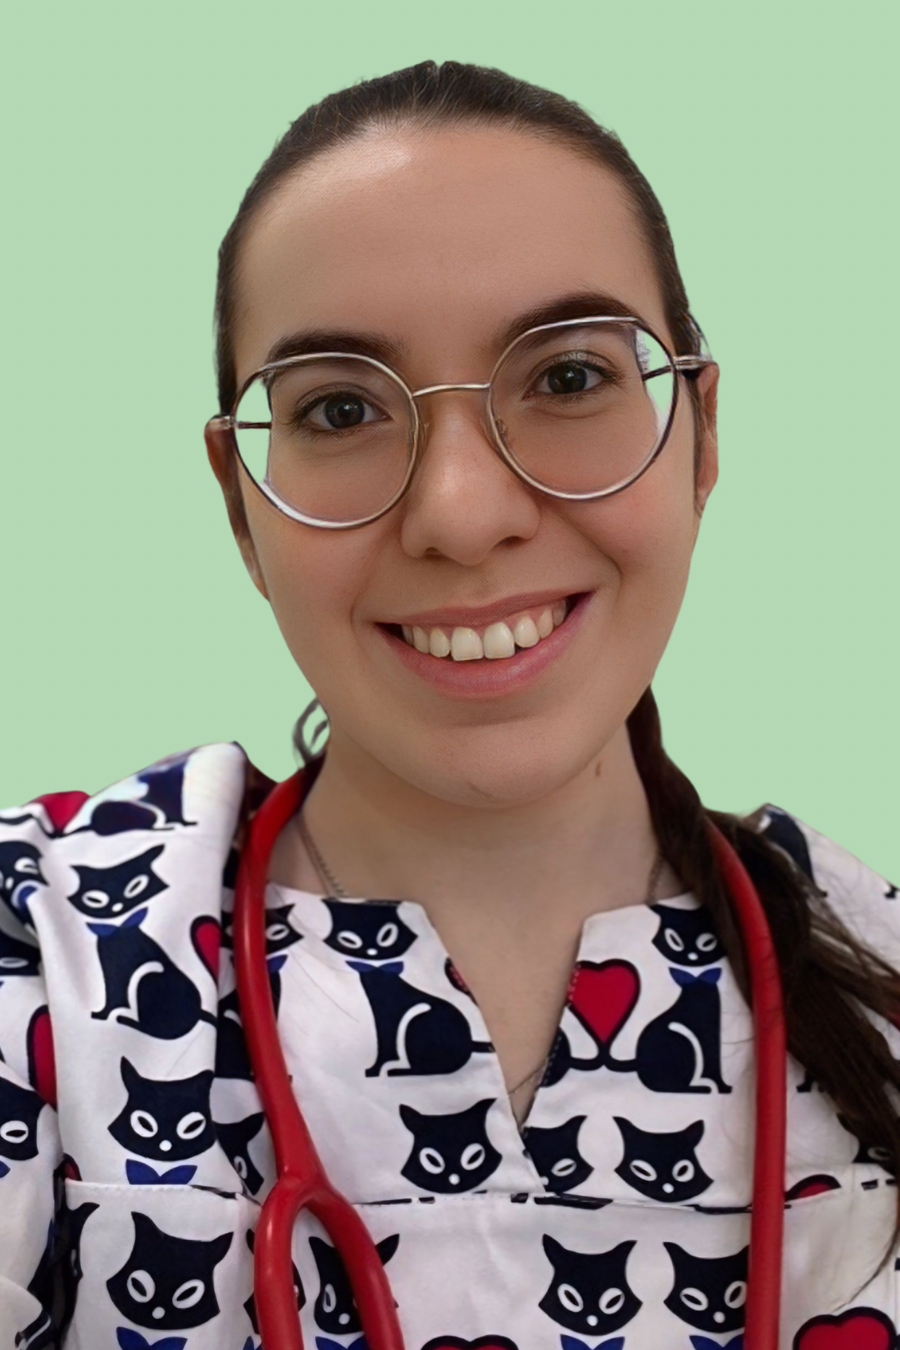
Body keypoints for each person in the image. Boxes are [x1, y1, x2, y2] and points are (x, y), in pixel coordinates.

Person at [1, 58, 898, 1349]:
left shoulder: (881, 982)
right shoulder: (47, 959)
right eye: (341, 408)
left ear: (699, 436)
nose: (462, 515)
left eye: (570, 379)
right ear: (241, 504)